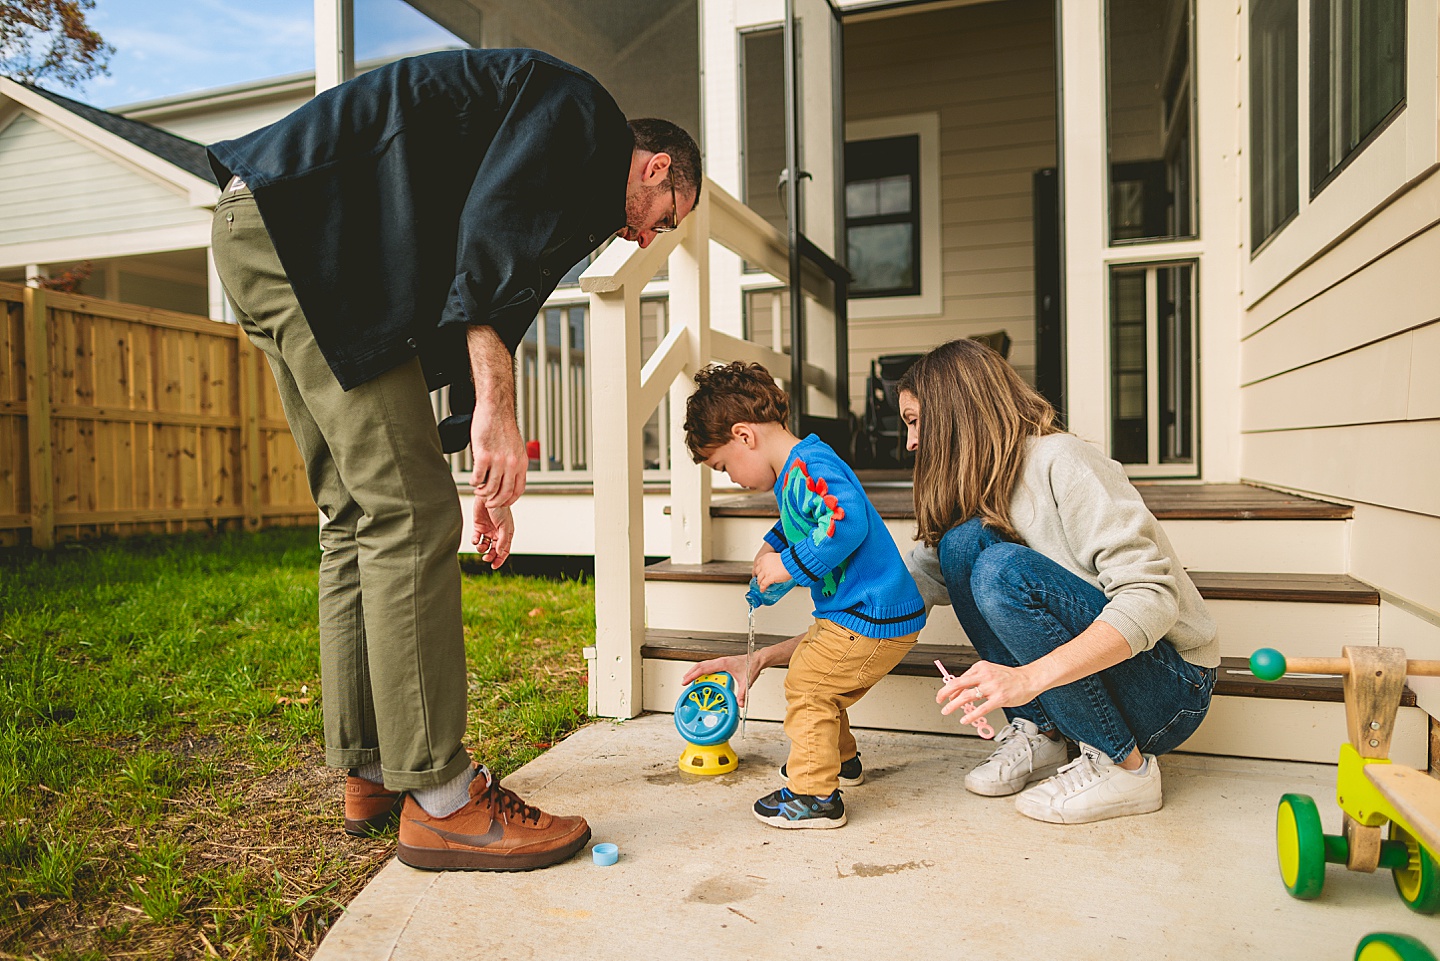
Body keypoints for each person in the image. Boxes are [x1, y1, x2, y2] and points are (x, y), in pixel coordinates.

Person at [207, 48, 701, 871]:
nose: (647, 233)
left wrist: (482, 442)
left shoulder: (563, 177)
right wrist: (499, 416)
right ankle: (441, 799)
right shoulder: (583, 119)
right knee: (406, 513)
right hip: (316, 237)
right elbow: (491, 243)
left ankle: (370, 765)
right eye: (666, 213)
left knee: (359, 514)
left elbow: (481, 306)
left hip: (264, 228)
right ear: (655, 165)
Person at [899, 338, 1218, 824]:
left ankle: (1124, 768)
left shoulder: (1061, 460)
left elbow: (1151, 598)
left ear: (953, 412)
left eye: (914, 421)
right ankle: (1043, 733)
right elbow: (901, 595)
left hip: (1170, 690)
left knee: (1002, 570)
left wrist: (1026, 679)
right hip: (1084, 687)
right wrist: (790, 651)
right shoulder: (971, 490)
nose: (911, 443)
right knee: (962, 545)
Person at [680, 362, 925, 829]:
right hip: (861, 613)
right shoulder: (800, 470)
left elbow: (844, 521)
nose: (730, 477)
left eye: (724, 465)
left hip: (869, 612)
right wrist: (774, 545)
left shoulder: (809, 466)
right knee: (821, 678)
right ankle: (839, 762)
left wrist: (789, 565)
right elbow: (807, 517)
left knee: (809, 685)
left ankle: (814, 795)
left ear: (744, 435)